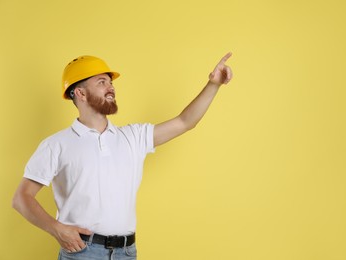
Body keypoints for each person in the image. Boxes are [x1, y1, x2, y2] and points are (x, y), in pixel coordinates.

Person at [12, 53, 233, 260]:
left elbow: (186, 122)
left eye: (111, 83)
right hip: (82, 253)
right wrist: (57, 229)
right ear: (80, 93)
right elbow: (22, 198)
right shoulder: (56, 144)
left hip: (126, 252)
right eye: (101, 82)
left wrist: (213, 85)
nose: (111, 88)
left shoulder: (133, 137)